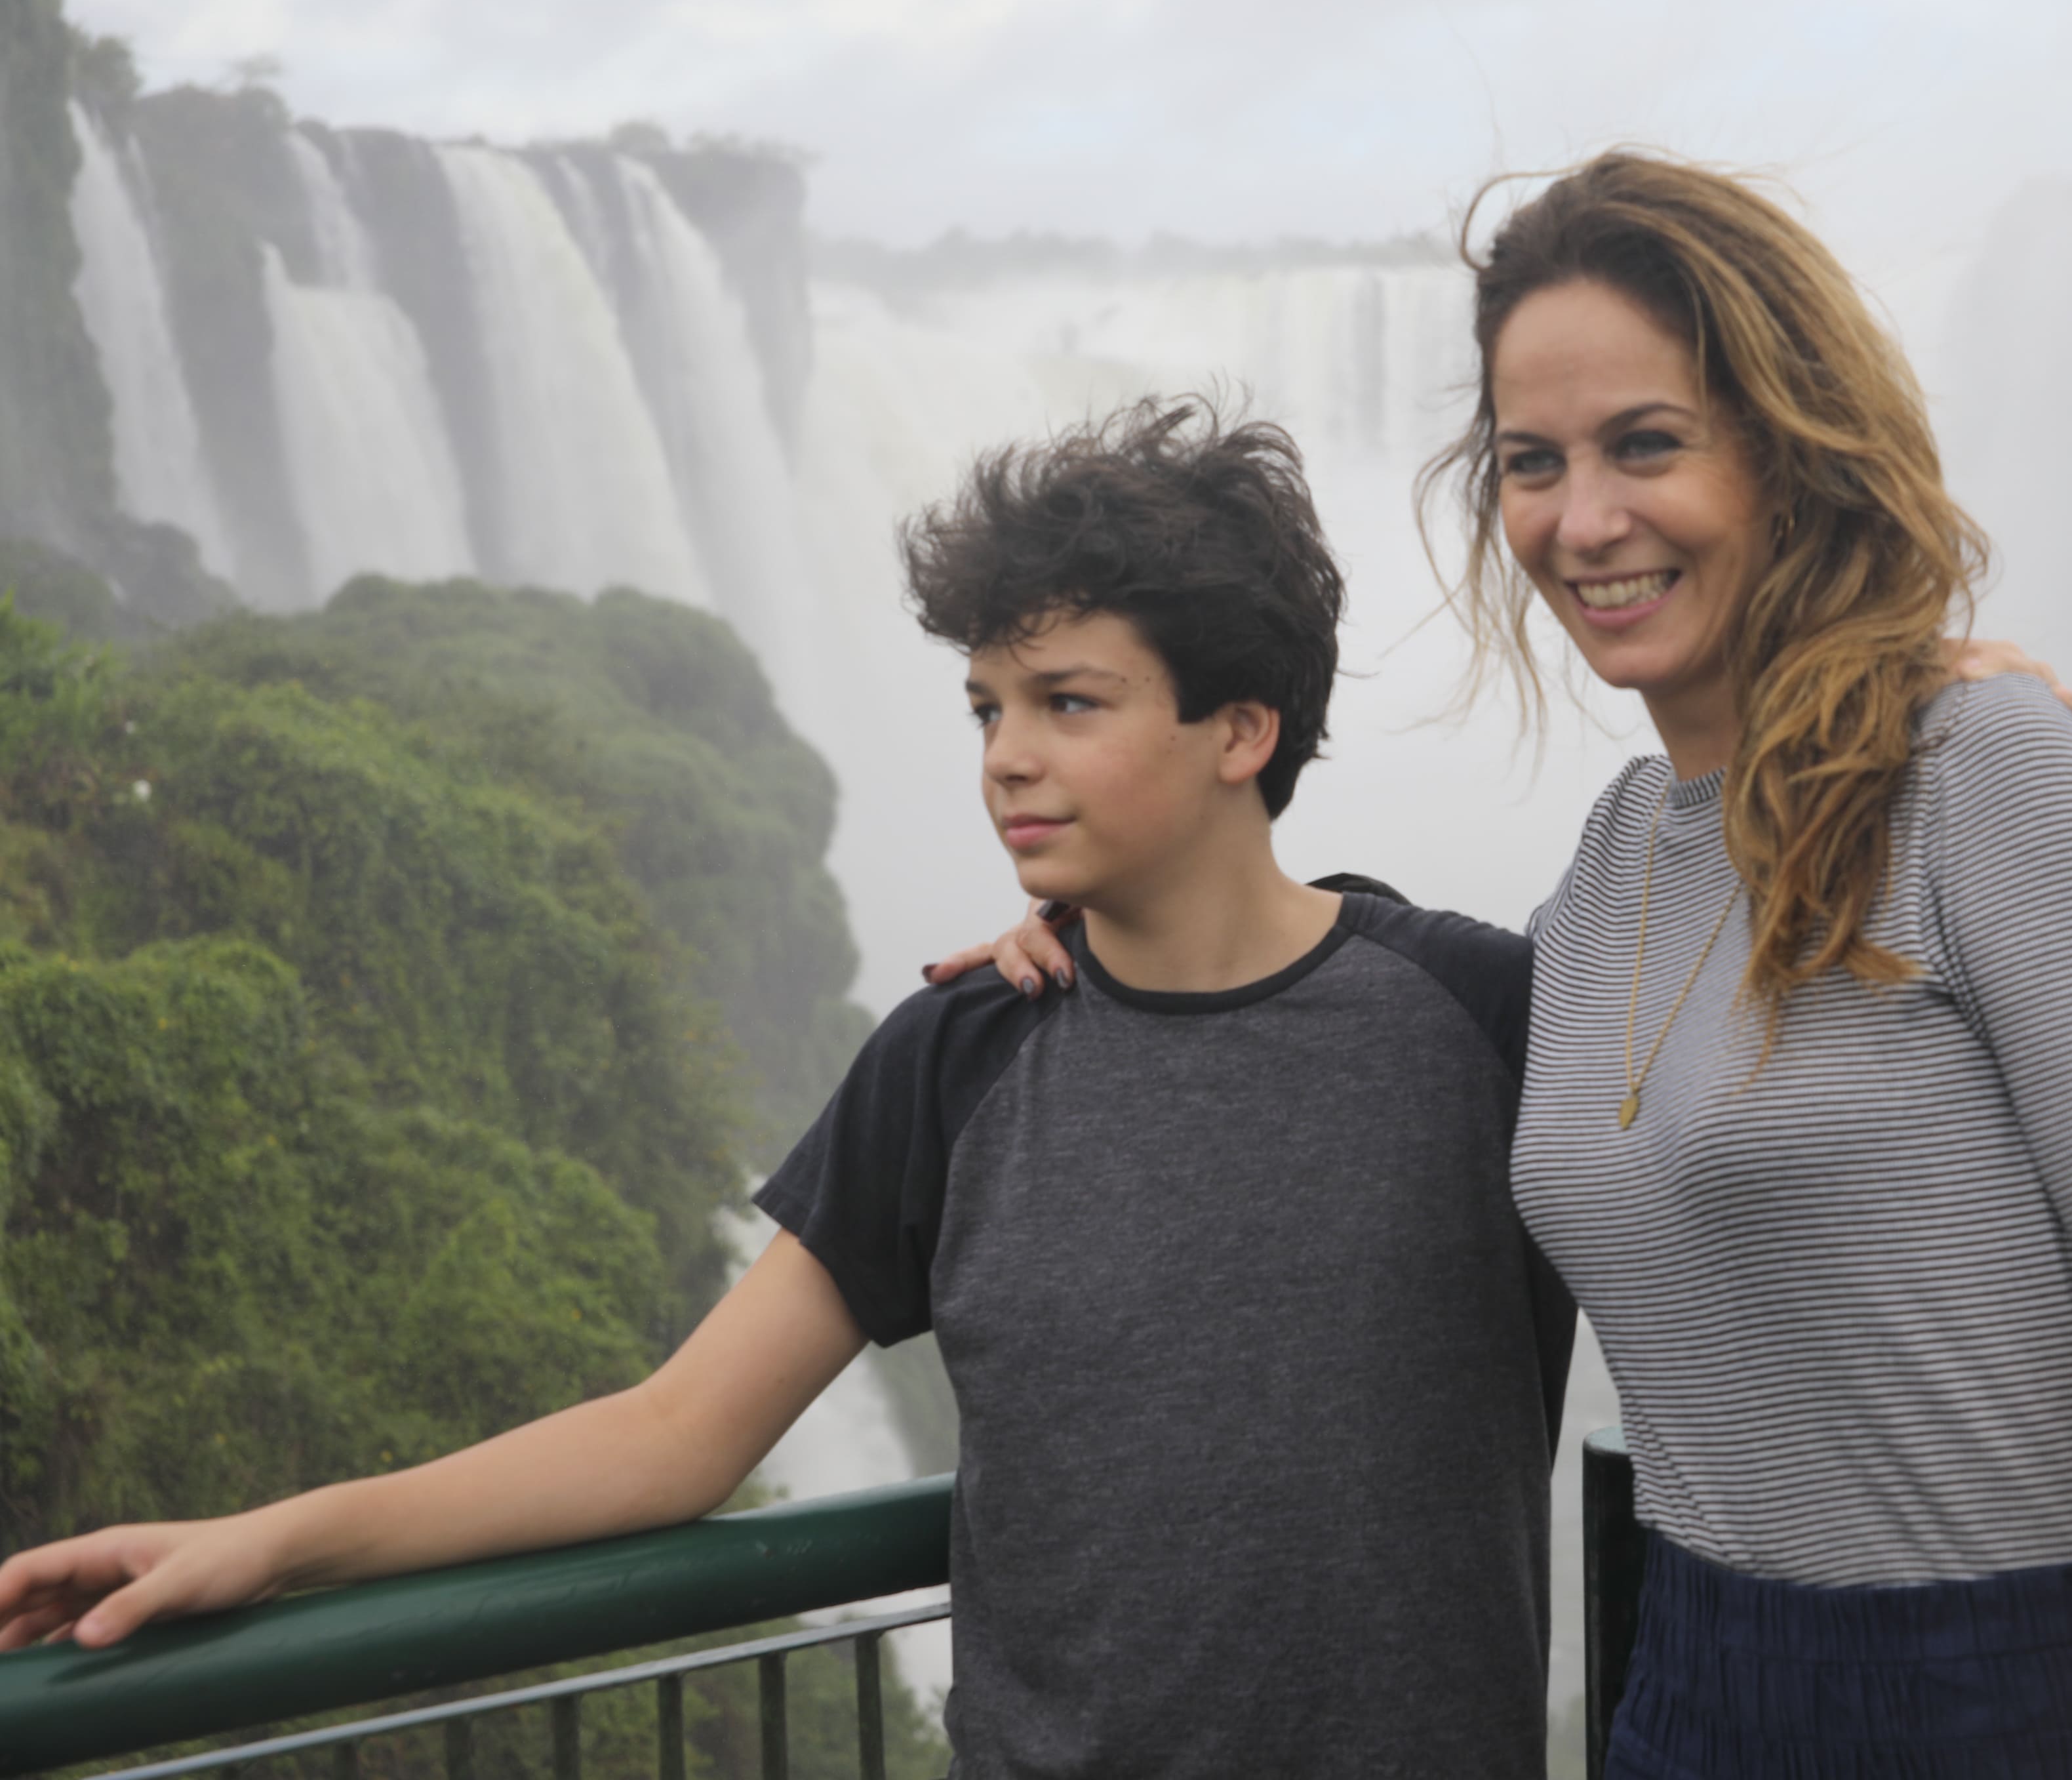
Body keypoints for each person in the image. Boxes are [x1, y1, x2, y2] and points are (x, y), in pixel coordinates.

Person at [0, 402, 1578, 1780]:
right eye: (988, 708)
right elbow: (677, 1430)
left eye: (1069, 703)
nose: (1005, 758)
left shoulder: (1486, 1019)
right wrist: (277, 1543)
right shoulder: (960, 1056)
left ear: (1241, 729)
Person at [979, 153, 2072, 1780]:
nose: (1582, 522)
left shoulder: (1984, 770)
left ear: (1790, 449)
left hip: (2016, 1707)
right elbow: (1349, 986)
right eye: (1534, 463)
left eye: (1646, 445)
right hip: (1690, 1699)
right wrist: (1098, 939)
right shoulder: (1608, 872)